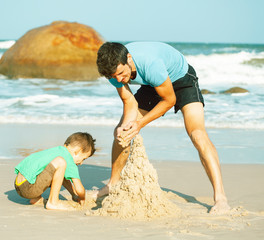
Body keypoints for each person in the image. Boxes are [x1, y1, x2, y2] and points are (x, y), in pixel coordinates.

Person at [95, 41, 230, 214]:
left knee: (197, 134)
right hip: (154, 84)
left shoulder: (150, 64)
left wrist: (140, 124)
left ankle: (220, 198)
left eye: (121, 73)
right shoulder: (114, 74)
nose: (119, 80)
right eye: (115, 77)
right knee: (123, 130)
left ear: (129, 58)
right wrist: (128, 126)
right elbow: (129, 102)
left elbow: (169, 100)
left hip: (182, 81)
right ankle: (112, 184)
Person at [14, 132, 96, 210]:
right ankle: (53, 202)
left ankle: (36, 199)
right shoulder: (67, 157)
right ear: (77, 151)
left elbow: (61, 176)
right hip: (29, 188)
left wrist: (74, 195)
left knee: (60, 169)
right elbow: (79, 188)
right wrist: (82, 197)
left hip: (19, 184)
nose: (81, 163)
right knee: (61, 162)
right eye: (83, 158)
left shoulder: (57, 150)